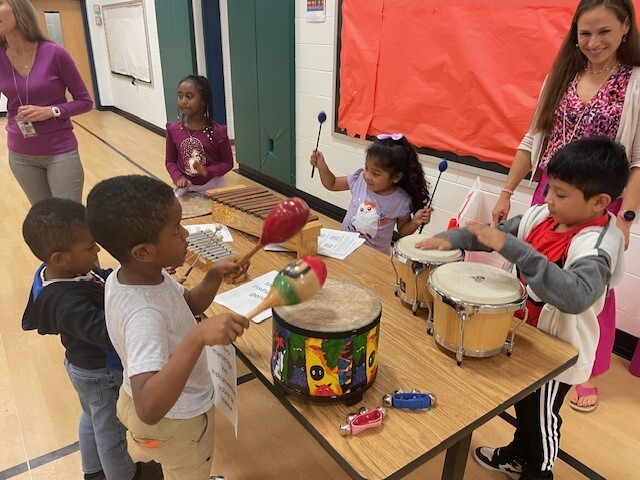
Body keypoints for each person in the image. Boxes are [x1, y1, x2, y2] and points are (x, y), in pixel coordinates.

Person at [417, 137, 628, 479]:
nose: (549, 200)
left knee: (541, 416)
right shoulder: (543, 216)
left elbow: (575, 296)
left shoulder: (597, 244)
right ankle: (518, 453)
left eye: (560, 194)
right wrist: (453, 239)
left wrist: (518, 251)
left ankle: (539, 471)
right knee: (523, 405)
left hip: (557, 352)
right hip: (527, 334)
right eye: (549, 189)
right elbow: (496, 235)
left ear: (599, 202)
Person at [491, 0, 640, 413]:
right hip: (550, 193)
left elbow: (638, 160)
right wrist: (506, 192)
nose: (593, 42)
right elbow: (531, 139)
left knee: (587, 288)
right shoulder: (560, 76)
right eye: (585, 33)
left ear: (625, 28)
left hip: (595, 205)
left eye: (604, 32)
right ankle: (527, 342)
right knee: (532, 269)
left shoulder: (635, 83)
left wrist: (625, 218)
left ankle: (583, 366)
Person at [86, 175, 250, 480]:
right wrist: (198, 337)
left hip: (144, 411)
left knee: (175, 465)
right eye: (176, 230)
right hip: (177, 421)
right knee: (189, 469)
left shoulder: (134, 276)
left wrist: (213, 276)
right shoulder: (144, 314)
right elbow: (149, 406)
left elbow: (185, 307)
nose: (186, 234)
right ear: (144, 251)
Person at [20, 198, 162, 480]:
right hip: (101, 373)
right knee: (112, 430)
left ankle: (94, 471)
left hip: (83, 368)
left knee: (92, 417)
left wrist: (133, 274)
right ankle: (124, 476)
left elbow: (102, 278)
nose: (96, 250)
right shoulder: (67, 302)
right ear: (60, 257)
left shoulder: (65, 272)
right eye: (89, 247)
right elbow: (110, 334)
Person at [0, 0, 93, 205]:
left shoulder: (54, 53)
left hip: (59, 151)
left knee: (69, 220)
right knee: (44, 219)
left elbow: (85, 102)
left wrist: (51, 111)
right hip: (20, 153)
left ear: (18, 8)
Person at [310, 134, 432, 254]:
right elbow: (332, 183)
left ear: (396, 177)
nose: (367, 176)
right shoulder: (359, 179)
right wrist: (321, 166)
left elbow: (403, 230)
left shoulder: (401, 201)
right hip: (345, 246)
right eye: (366, 168)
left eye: (376, 174)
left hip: (374, 256)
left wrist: (415, 222)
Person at [165, 75, 233, 197]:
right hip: (186, 189)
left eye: (189, 97)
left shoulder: (218, 131)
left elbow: (227, 163)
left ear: (203, 101)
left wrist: (209, 171)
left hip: (214, 187)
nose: (183, 101)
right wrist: (178, 177)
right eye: (180, 96)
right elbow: (170, 161)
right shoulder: (173, 130)